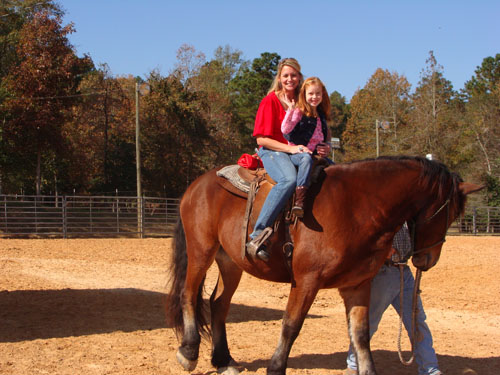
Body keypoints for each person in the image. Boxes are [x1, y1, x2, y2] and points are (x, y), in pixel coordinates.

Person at [246, 58, 331, 262]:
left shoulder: (307, 101)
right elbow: (261, 139)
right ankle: (258, 234)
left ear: (299, 77)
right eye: (286, 75)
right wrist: (290, 148)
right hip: (273, 151)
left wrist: (326, 146)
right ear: (280, 78)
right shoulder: (270, 101)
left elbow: (321, 130)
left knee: (335, 175)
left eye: (294, 75)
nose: (290, 79)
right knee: (288, 180)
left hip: (300, 152)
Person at [344, 223, 444, 375]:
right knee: (369, 321)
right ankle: (354, 365)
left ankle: (430, 370)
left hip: (405, 271)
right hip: (384, 271)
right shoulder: (384, 211)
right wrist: (381, 249)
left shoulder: (409, 213)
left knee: (417, 322)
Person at [281, 76, 331, 217]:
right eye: (311, 94)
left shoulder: (320, 115)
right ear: (304, 95)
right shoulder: (298, 111)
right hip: (297, 154)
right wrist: (290, 111)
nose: (314, 97)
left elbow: (324, 137)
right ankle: (300, 199)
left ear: (322, 95)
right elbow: (285, 130)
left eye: (318, 94)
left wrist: (327, 147)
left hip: (315, 154)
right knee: (306, 160)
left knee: (334, 168)